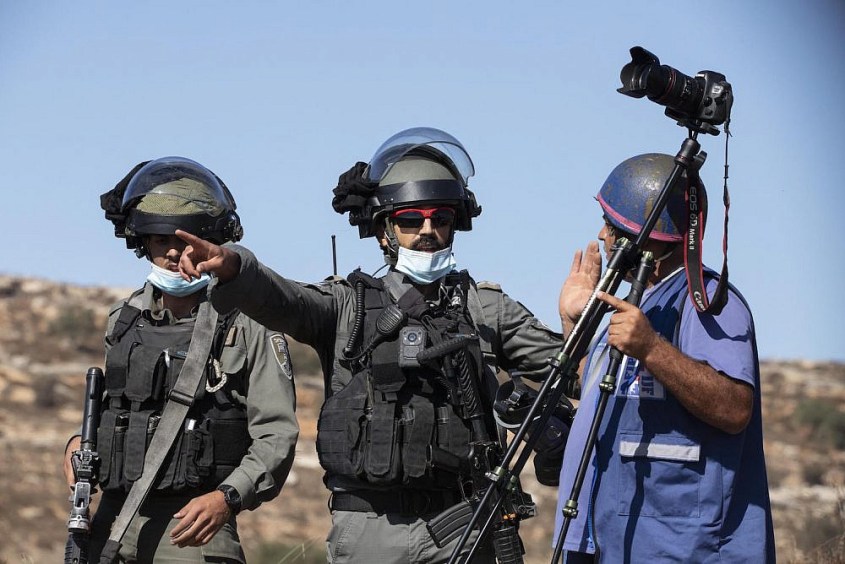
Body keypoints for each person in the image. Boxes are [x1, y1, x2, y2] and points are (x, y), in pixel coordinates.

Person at [175, 127, 571, 564]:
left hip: (464, 524)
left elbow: (574, 370)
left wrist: (574, 322)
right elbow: (282, 299)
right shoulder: (348, 304)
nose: (427, 230)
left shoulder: (486, 308)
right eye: (410, 219)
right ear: (384, 230)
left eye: (440, 218)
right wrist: (235, 268)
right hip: (370, 533)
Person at [62, 156, 299, 563]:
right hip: (114, 517)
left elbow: (277, 434)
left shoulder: (249, 323)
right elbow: (121, 409)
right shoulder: (123, 318)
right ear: (143, 244)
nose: (174, 254)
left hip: (192, 525)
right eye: (160, 241)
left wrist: (228, 497)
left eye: (185, 241)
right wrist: (77, 445)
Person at [553, 153, 776, 562]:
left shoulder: (706, 303)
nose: (603, 235)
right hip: (610, 539)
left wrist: (653, 348)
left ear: (650, 242)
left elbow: (734, 407)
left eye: (615, 227)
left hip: (678, 547)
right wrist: (575, 326)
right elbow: (602, 397)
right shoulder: (639, 308)